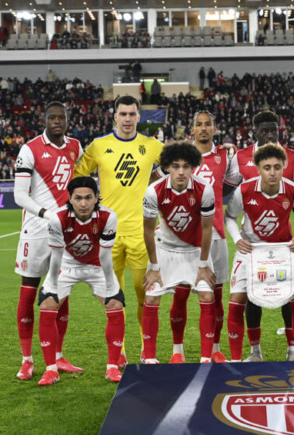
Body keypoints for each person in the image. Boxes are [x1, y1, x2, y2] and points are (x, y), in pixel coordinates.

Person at [73, 95, 164, 367]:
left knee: (144, 295)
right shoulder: (99, 146)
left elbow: (177, 163)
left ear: (139, 117)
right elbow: (77, 175)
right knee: (113, 297)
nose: (127, 119)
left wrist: (157, 179)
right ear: (115, 117)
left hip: (141, 234)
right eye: (122, 114)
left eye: (132, 114)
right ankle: (120, 350)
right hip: (107, 234)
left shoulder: (151, 146)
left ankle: (147, 351)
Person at [13, 102, 83, 380]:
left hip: (65, 231)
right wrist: (47, 213)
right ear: (44, 120)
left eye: (61, 118)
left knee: (61, 294)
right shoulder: (29, 149)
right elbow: (19, 195)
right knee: (29, 293)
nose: (57, 122)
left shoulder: (75, 146)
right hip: (35, 230)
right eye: (52, 118)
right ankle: (27, 360)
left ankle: (58, 356)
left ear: (67, 120)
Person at [228, 111, 294, 361]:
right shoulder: (243, 175)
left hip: (282, 247)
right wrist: (236, 238)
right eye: (267, 168)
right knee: (247, 297)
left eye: (277, 167)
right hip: (251, 246)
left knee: (290, 296)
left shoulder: (293, 174)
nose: (272, 172)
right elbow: (229, 208)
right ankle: (254, 352)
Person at [36, 176, 126, 385]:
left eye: (88, 197)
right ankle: (51, 370)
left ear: (96, 198)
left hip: (97, 266)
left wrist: (111, 287)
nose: (83, 203)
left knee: (115, 304)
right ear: (70, 198)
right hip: (67, 265)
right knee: (48, 303)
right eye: (78, 198)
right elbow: (56, 256)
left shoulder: (108, 216)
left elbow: (105, 255)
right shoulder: (58, 218)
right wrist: (51, 284)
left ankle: (112, 367)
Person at [142, 142, 218, 364]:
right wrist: (154, 267)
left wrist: (203, 265)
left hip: (195, 250)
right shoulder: (153, 191)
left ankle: (205, 360)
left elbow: (207, 229)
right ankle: (151, 360)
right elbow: (148, 231)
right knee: (151, 296)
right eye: (176, 166)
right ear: (167, 167)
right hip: (165, 249)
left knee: (207, 296)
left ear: (193, 167)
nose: (181, 171)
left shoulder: (205, 189)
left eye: (186, 166)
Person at [182, 110, 242, 362]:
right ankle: (177, 352)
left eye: (208, 124)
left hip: (216, 234)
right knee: (181, 296)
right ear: (193, 129)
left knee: (216, 297)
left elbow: (233, 183)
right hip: (185, 236)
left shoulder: (225, 157)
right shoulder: (182, 157)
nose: (204, 128)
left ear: (215, 129)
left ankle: (215, 349)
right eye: (199, 124)